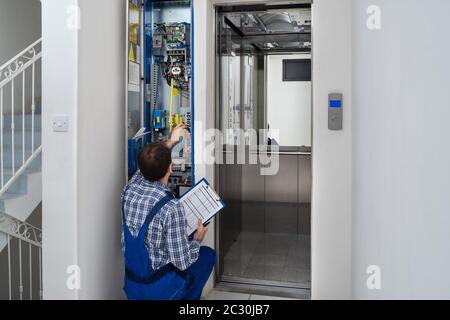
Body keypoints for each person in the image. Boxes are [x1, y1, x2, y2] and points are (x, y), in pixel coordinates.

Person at [121, 124, 216, 300]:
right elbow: (182, 262)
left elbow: (146, 165)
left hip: (133, 285)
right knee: (207, 255)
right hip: (158, 289)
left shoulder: (129, 189)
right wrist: (198, 239)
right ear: (170, 168)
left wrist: (171, 141)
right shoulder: (171, 207)